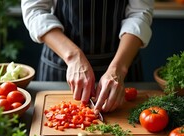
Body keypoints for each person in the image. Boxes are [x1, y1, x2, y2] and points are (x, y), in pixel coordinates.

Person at [21, 0, 154, 113]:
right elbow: (35, 10)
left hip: (123, 63)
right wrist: (73, 57)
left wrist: (119, 68)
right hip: (59, 65)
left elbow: (139, 14)